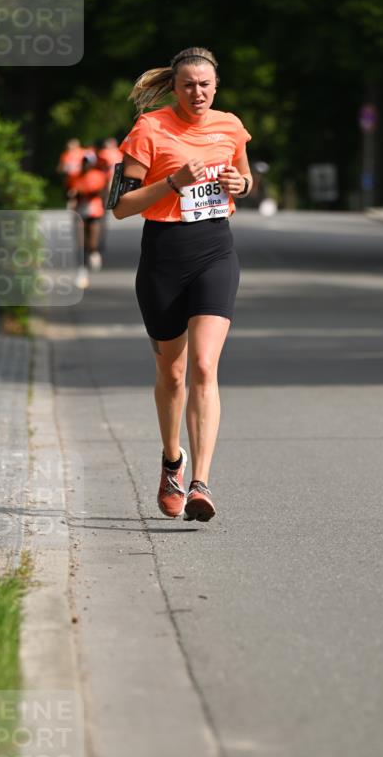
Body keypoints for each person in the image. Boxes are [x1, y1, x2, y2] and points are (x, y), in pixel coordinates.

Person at [111, 46, 252, 522]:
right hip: (164, 258)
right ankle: (173, 461)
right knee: (172, 374)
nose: (198, 92)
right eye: (189, 84)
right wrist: (173, 182)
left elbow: (246, 177)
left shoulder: (230, 126)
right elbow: (122, 206)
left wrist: (241, 185)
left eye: (206, 85)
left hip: (216, 251)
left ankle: (200, 484)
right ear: (174, 87)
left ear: (216, 87)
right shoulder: (149, 129)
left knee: (205, 367)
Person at [68, 155, 109, 287]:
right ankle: (82, 270)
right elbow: (70, 191)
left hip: (94, 210)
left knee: (92, 241)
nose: (85, 165)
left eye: (88, 162)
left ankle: (94, 251)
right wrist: (74, 195)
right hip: (80, 211)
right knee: (81, 242)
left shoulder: (98, 175)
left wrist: (87, 193)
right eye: (84, 162)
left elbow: (102, 192)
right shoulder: (76, 176)